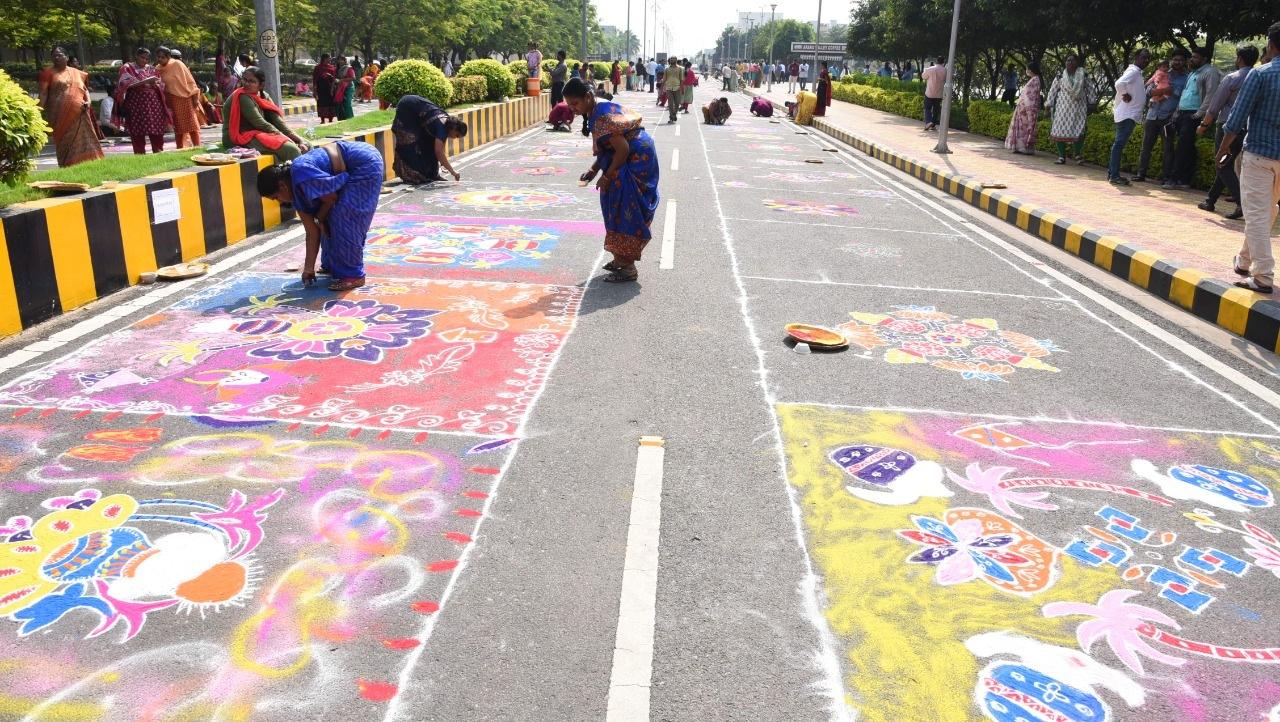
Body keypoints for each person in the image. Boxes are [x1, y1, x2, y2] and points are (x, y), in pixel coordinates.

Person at [563, 78, 660, 284]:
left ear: (587, 97)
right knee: (613, 202)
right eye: (569, 104)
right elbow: (609, 149)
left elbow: (622, 149)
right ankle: (620, 258)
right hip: (631, 154)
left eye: (575, 103)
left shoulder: (601, 117)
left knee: (621, 206)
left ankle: (627, 267)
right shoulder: (595, 110)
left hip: (635, 159)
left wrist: (607, 176)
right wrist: (593, 170)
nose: (573, 109)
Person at [257, 141, 385, 292]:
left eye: (276, 197)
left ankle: (353, 276)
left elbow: (331, 198)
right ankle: (332, 265)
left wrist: (320, 217)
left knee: (344, 217)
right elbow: (312, 232)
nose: (279, 202)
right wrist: (308, 268)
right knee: (327, 221)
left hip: (364, 163)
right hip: (348, 166)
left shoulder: (301, 173)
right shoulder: (296, 193)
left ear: (282, 186)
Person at [1219, 21, 1280, 294]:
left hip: (1259, 154)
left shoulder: (1261, 75)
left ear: (1271, 45)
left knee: (1256, 215)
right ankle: (1243, 260)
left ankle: (1263, 275)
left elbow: (1236, 117)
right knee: (1267, 211)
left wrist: (1223, 149)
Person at [1198, 45, 1259, 219]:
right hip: (1246, 129)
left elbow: (1215, 106)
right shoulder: (1259, 77)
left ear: (1239, 58)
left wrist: (1203, 125)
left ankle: (1241, 203)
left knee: (1221, 162)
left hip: (1228, 126)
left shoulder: (1232, 78)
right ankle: (1210, 200)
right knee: (1226, 161)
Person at [223, 66, 309, 161]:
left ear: (261, 85)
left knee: (307, 144)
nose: (246, 84)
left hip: (260, 133)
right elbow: (259, 123)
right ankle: (300, 174)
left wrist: (298, 139)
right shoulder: (242, 96)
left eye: (252, 81)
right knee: (292, 149)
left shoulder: (264, 95)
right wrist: (287, 139)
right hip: (239, 136)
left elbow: (277, 121)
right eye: (245, 79)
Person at [38, 47, 103, 168]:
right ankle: (67, 167)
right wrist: (37, 113)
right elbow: (43, 93)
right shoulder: (47, 73)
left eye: (60, 55)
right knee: (64, 142)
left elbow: (84, 89)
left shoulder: (77, 72)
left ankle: (90, 165)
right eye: (54, 55)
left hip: (80, 113)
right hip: (58, 116)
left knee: (86, 140)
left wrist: (88, 101)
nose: (56, 57)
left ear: (67, 57)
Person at [1168, 48, 1223, 190]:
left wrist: (1199, 114)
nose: (1192, 60)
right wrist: (1177, 112)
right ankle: (1184, 180)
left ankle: (1175, 179)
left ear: (1204, 59)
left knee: (1182, 147)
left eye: (1195, 57)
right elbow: (1185, 94)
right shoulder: (1193, 72)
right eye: (1192, 57)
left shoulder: (1210, 72)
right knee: (1186, 147)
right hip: (1183, 113)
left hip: (1193, 114)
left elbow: (1211, 95)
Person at [391, 94, 468, 184]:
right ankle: (410, 175)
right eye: (457, 135)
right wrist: (453, 172)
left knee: (429, 143)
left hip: (418, 114)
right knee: (410, 142)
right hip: (407, 108)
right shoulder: (442, 128)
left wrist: (443, 163)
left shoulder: (447, 125)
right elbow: (439, 152)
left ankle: (432, 174)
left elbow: (441, 148)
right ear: (454, 129)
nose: (455, 138)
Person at [1133, 55, 1184, 183]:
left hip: (1168, 117)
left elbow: (1179, 95)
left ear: (1185, 62)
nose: (1177, 62)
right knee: (1146, 146)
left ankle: (1166, 177)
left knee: (1167, 148)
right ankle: (1141, 173)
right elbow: (1149, 90)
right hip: (1152, 114)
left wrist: (1163, 91)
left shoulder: (1186, 78)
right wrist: (1165, 90)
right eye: (1175, 59)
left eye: (1180, 60)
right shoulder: (1160, 72)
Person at [114, 47, 171, 155]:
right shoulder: (127, 68)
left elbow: (161, 84)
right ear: (136, 56)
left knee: (156, 130)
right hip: (136, 105)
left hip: (153, 105)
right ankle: (140, 154)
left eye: (146, 58)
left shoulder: (151, 69)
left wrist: (157, 84)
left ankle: (158, 152)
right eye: (142, 57)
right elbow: (124, 83)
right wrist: (146, 81)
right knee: (137, 131)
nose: (144, 60)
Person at [1108, 49, 1152, 186]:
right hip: (1127, 114)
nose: (1146, 61)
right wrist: (1124, 94)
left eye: (1148, 58)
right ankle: (1114, 175)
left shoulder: (1136, 72)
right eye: (1143, 58)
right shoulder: (1133, 71)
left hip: (1129, 114)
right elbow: (1119, 84)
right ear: (1137, 57)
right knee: (1119, 144)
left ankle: (1112, 173)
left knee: (1118, 144)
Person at [1045, 54, 1096, 164]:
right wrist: (1048, 105)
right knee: (1060, 130)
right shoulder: (1060, 76)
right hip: (1062, 107)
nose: (1070, 62)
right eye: (1068, 60)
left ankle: (1077, 155)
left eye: (1072, 60)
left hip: (1079, 107)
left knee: (1080, 129)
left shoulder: (1084, 74)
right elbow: (1052, 91)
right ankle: (1061, 156)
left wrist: (1092, 103)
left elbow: (1090, 89)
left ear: (1077, 62)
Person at [153, 47, 202, 149]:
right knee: (178, 127)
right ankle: (179, 148)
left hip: (184, 97)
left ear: (168, 57)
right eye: (158, 57)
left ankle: (197, 147)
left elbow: (190, 80)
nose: (160, 59)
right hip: (171, 100)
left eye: (163, 57)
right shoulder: (157, 69)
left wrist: (195, 98)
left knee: (191, 125)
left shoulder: (177, 64)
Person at [1003, 62, 1041, 155]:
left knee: (1024, 127)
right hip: (1023, 107)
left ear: (1030, 70)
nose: (1026, 71)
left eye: (1027, 69)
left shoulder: (1035, 80)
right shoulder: (1034, 79)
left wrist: (1025, 106)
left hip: (1026, 108)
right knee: (1021, 127)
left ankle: (1024, 147)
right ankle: (1020, 147)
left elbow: (1030, 95)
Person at [921, 56, 947, 131]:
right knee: (936, 109)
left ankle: (928, 122)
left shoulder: (930, 69)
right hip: (939, 93)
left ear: (936, 61)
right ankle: (933, 124)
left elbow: (923, 77)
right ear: (943, 62)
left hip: (929, 92)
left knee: (927, 108)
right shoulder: (945, 70)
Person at [314, 54, 337, 124]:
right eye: (329, 58)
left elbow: (334, 79)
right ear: (324, 58)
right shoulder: (318, 67)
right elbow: (314, 79)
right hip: (321, 88)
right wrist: (314, 90)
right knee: (321, 103)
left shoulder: (332, 67)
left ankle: (330, 119)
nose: (330, 59)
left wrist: (332, 89)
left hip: (330, 88)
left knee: (331, 103)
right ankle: (322, 120)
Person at [334, 56, 356, 120]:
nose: (340, 61)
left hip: (348, 88)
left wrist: (341, 80)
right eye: (339, 60)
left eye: (341, 60)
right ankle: (342, 119)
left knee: (347, 104)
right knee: (340, 104)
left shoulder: (348, 68)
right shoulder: (337, 69)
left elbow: (353, 78)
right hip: (340, 88)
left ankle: (350, 118)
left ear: (345, 61)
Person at [662, 57, 683, 123]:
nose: (672, 60)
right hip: (669, 88)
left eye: (673, 59)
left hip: (677, 87)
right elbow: (664, 79)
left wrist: (682, 88)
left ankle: (674, 114)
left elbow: (681, 79)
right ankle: (671, 117)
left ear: (676, 60)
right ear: (670, 61)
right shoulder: (667, 69)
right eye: (671, 59)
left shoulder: (680, 68)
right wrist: (662, 88)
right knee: (670, 103)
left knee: (677, 103)